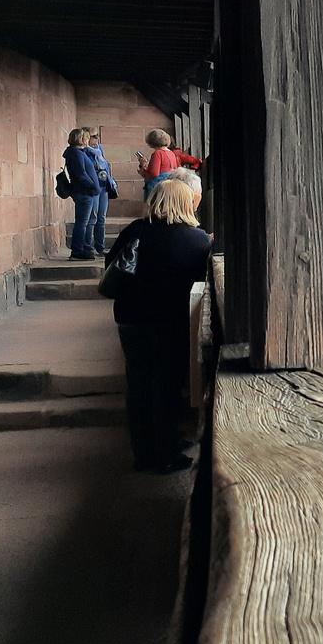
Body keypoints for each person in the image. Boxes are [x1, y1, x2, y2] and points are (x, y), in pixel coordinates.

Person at [107, 178, 210, 472]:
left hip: (131, 319)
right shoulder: (198, 240)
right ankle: (167, 453)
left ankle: (142, 454)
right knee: (166, 386)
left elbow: (111, 266)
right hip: (170, 322)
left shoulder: (135, 230)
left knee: (138, 385)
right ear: (187, 202)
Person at [63, 128, 102, 260]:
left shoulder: (77, 152)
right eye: (85, 138)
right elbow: (81, 175)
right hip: (84, 192)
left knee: (86, 221)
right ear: (80, 139)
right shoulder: (76, 154)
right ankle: (78, 250)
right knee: (82, 222)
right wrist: (93, 185)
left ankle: (85, 248)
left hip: (85, 191)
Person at [82, 128, 117, 255]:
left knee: (101, 217)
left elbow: (105, 166)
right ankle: (87, 246)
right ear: (87, 138)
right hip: (93, 185)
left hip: (103, 184)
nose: (97, 138)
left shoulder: (99, 150)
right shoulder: (84, 152)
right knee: (93, 216)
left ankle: (100, 246)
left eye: (97, 136)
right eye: (94, 136)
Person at [136, 128, 201, 197]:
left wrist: (143, 171)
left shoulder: (157, 153)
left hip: (159, 187)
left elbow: (154, 174)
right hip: (171, 185)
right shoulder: (171, 153)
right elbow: (176, 170)